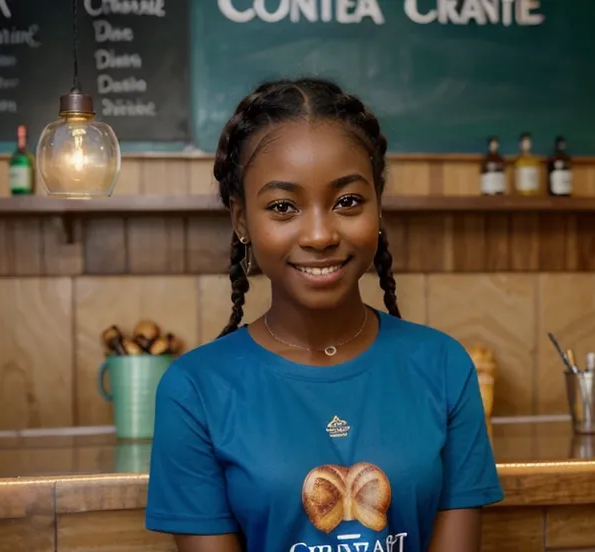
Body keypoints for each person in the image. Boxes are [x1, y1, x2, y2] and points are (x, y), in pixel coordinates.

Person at [144, 77, 504, 552]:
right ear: (240, 220)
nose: (319, 234)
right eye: (283, 206)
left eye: (348, 201)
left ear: (378, 206)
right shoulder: (194, 390)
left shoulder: (443, 367)